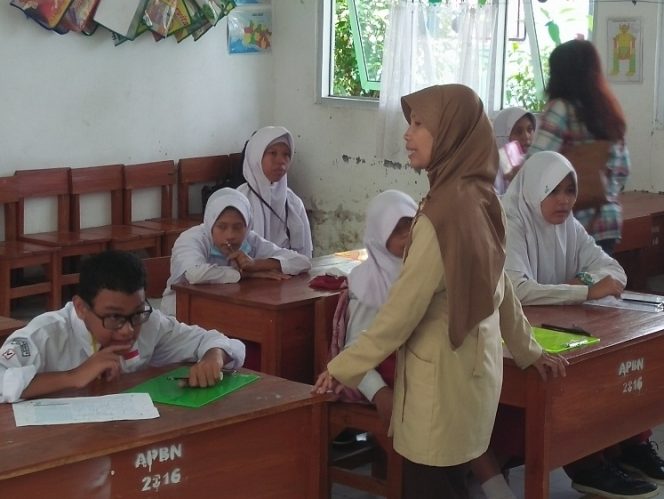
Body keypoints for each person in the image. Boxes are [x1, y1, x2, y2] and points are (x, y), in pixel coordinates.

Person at [313, 84, 566, 499]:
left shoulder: (436, 218)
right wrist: (527, 349)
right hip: (475, 379)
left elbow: (400, 314)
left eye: (419, 124)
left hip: (436, 390)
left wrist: (342, 366)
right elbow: (500, 286)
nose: (407, 135)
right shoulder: (485, 200)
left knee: (429, 486)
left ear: (451, 133)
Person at [503, 150, 663, 497]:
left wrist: (583, 283)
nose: (563, 200)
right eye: (553, 191)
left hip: (555, 329)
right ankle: (589, 465)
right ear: (533, 190)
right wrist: (584, 291)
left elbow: (614, 271)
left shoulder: (569, 225)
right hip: (513, 337)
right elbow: (516, 290)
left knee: (616, 358)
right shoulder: (510, 222)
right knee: (587, 374)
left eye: (569, 190)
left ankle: (630, 446)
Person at [0, 250, 246, 403]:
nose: (128, 330)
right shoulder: (46, 334)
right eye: (114, 318)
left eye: (136, 314)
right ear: (81, 307)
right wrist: (73, 376)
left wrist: (214, 357)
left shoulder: (148, 323)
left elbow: (214, 340)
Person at [528, 39, 630, 255]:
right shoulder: (609, 112)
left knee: (567, 287)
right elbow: (622, 173)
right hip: (607, 220)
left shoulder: (561, 109)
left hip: (571, 220)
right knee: (597, 283)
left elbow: (536, 163)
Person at [160, 188, 311, 316]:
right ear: (210, 223)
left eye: (238, 227)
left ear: (247, 226)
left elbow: (303, 262)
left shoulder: (250, 240)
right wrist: (246, 274)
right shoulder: (192, 239)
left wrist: (256, 264)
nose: (230, 235)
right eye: (222, 227)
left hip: (229, 310)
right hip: (182, 315)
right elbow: (194, 274)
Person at [341, 189, 417, 423]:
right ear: (379, 235)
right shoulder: (369, 283)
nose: (407, 237)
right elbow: (354, 350)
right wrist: (380, 392)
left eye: (411, 226)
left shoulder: (422, 268)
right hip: (391, 375)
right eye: (397, 231)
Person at [237, 126, 313, 257]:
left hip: (290, 274)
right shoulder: (239, 201)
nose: (281, 161)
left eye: (286, 155)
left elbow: (306, 256)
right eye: (273, 153)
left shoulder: (293, 203)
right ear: (256, 155)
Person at [492, 107, 536, 195]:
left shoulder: (533, 160)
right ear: (503, 136)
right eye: (518, 131)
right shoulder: (493, 167)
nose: (526, 136)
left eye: (530, 129)